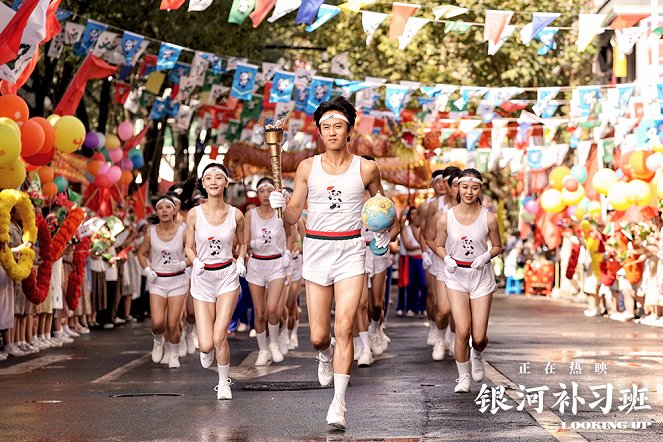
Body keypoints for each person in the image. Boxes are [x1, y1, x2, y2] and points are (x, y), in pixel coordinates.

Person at [268, 96, 392, 429]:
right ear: (319, 132)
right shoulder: (307, 167)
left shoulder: (366, 167)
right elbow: (294, 214)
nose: (332, 132)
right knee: (319, 336)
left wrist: (383, 233)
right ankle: (325, 354)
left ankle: (338, 405)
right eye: (326, 127)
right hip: (317, 251)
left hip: (351, 250)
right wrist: (280, 204)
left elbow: (384, 208)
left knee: (344, 327)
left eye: (338, 126)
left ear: (349, 129)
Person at [434, 169, 502, 393]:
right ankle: (463, 377)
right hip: (456, 277)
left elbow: (498, 246)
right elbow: (438, 244)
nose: (469, 192)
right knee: (462, 331)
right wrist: (446, 259)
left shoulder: (488, 218)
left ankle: (477, 353)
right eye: (465, 187)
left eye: (474, 188)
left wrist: (485, 256)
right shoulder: (447, 218)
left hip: (481, 276)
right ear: (458, 188)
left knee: (479, 336)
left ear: (480, 189)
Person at [185, 163, 246, 400]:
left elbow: (242, 242)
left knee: (220, 335)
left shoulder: (236, 214)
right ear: (202, 183)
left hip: (227, 276)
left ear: (226, 183)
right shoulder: (194, 213)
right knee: (206, 344)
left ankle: (223, 383)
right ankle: (207, 348)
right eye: (208, 178)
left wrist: (240, 259)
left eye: (218, 177)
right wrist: (195, 260)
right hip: (202, 278)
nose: (213, 182)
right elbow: (189, 247)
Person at [244, 177, 294, 366]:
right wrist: (251, 245)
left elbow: (291, 235)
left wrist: (288, 252)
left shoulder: (282, 212)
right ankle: (262, 349)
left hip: (276, 265)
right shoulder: (250, 214)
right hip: (256, 265)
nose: (266, 195)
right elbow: (244, 242)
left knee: (273, 309)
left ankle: (273, 343)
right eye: (262, 191)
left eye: (269, 191)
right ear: (257, 194)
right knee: (260, 312)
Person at [137, 195, 190, 369]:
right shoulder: (151, 232)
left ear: (174, 210)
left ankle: (173, 354)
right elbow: (141, 253)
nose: (165, 211)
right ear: (157, 212)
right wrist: (147, 270)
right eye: (161, 208)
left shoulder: (183, 230)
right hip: (158, 281)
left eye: (168, 207)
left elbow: (194, 253)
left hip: (178, 280)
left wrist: (183, 263)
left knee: (173, 324)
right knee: (158, 323)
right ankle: (158, 341)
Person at [424, 168, 461, 360]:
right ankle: (439, 338)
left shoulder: (474, 211)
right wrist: (440, 254)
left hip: (464, 267)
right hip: (443, 264)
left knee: (459, 310)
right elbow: (428, 235)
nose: (458, 190)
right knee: (444, 309)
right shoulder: (440, 212)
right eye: (455, 185)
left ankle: (454, 340)